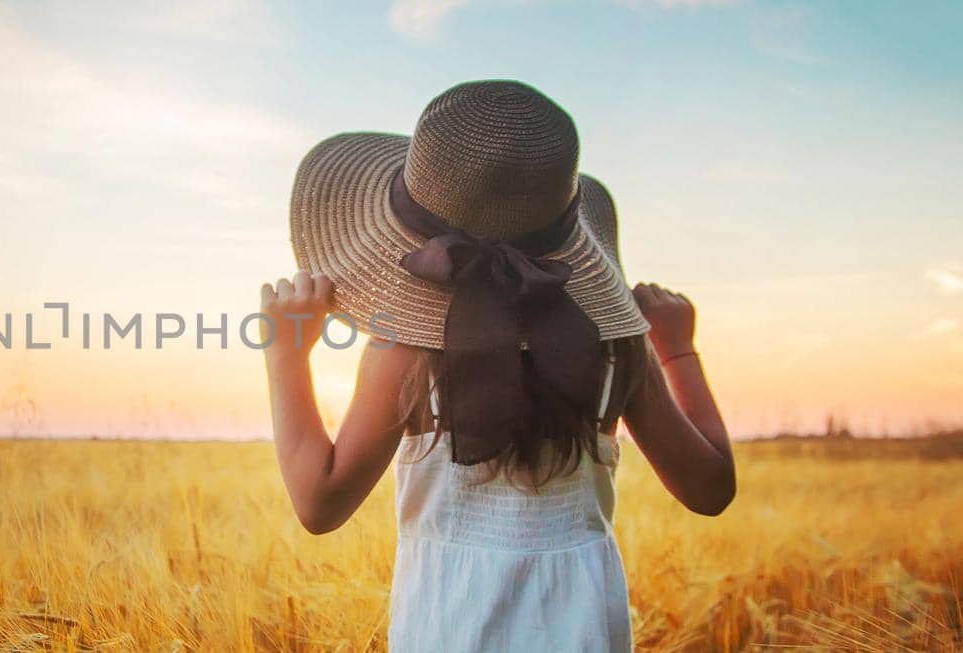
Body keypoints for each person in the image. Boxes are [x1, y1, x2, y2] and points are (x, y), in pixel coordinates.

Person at [260, 80, 735, 652]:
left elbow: (320, 501)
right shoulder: (614, 344)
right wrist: (677, 348)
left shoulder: (405, 346)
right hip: (582, 627)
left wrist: (286, 350)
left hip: (448, 624)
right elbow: (711, 490)